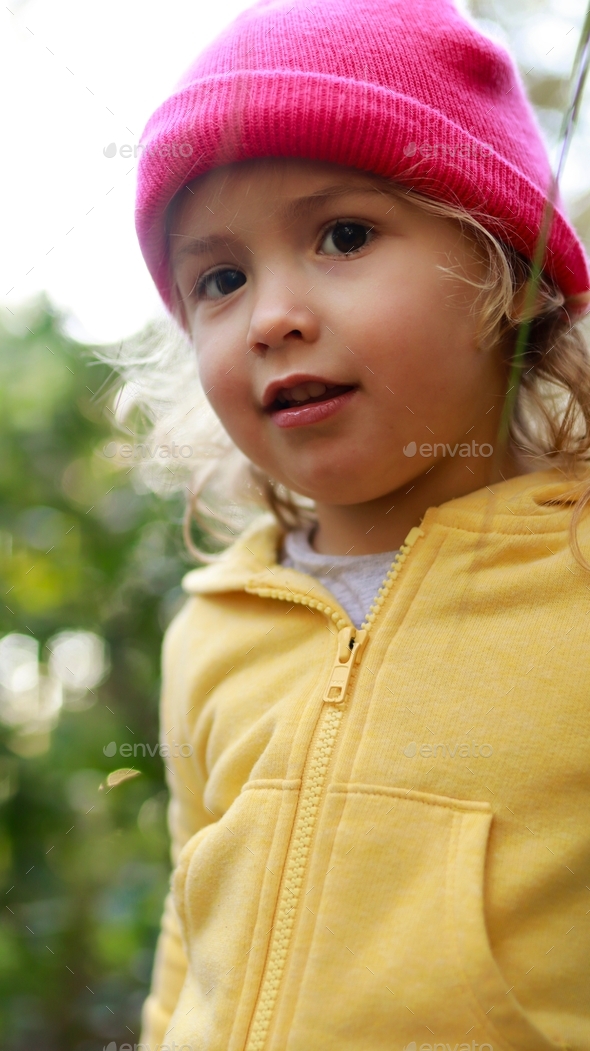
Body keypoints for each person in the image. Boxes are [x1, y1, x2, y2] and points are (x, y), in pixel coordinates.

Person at [132, 0, 590, 1047]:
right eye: (219, 278)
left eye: (343, 234)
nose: (269, 315)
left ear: (506, 271)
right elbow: (183, 949)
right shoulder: (212, 631)